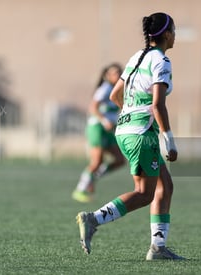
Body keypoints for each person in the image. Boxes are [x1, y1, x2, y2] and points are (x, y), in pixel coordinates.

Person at [76, 12, 185, 260]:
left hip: (125, 130)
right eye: (175, 30)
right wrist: (169, 140)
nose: (176, 35)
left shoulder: (138, 56)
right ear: (167, 34)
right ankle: (94, 219)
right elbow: (158, 105)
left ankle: (158, 248)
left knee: (164, 185)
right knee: (144, 193)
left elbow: (116, 95)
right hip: (141, 134)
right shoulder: (161, 61)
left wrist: (129, 113)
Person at [72, 63, 126, 203]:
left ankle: (92, 179)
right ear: (107, 76)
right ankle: (80, 189)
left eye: (120, 72)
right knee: (96, 162)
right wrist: (104, 121)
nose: (119, 75)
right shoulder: (106, 88)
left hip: (108, 129)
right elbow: (93, 107)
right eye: (115, 73)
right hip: (97, 127)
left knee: (120, 160)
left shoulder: (118, 89)